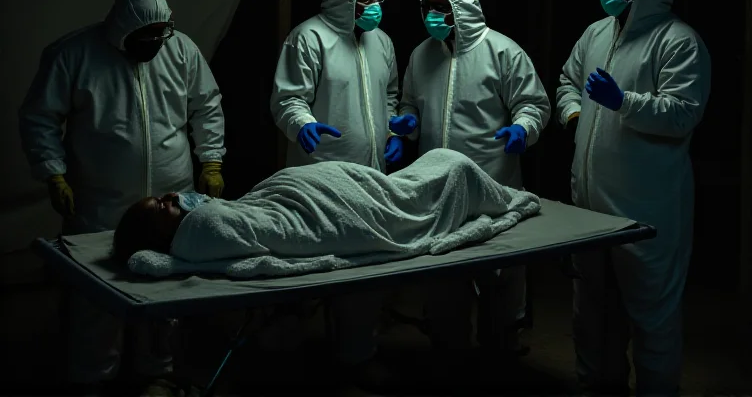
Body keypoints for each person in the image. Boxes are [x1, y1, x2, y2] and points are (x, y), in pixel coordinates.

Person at [19, 0, 227, 395]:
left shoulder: (180, 50)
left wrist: (212, 160)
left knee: (166, 286)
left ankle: (157, 370)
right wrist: (53, 172)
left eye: (160, 33)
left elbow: (207, 106)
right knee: (94, 290)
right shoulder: (73, 55)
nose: (154, 42)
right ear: (122, 29)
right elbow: (40, 116)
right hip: (99, 200)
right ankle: (92, 375)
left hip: (170, 197)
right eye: (145, 35)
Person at [555, 0, 711, 396]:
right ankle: (597, 387)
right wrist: (575, 113)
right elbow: (568, 80)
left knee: (651, 317)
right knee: (592, 315)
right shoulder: (596, 33)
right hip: (590, 209)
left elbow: (684, 112)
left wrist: (625, 102)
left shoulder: (678, 41)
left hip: (648, 213)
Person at [394, 0, 551, 357]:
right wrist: (407, 124)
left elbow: (533, 104)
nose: (432, 15)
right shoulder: (421, 54)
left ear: (461, 8)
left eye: (440, 7)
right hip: (439, 193)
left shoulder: (502, 52)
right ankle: (450, 354)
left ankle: (502, 348)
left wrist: (523, 129)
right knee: (444, 283)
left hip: (494, 188)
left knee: (501, 278)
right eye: (427, 7)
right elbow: (409, 101)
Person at [270, 0, 400, 373]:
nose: (376, 5)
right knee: (306, 272)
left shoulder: (382, 43)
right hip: (319, 180)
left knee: (365, 274)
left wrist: (394, 132)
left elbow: (390, 95)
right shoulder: (309, 38)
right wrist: (301, 124)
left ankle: (357, 356)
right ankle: (291, 364)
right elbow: (288, 97)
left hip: (371, 179)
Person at [111, 148, 539, 270]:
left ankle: (488, 195)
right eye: (162, 206)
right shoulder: (203, 226)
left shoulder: (222, 213)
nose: (171, 196)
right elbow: (293, 227)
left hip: (373, 189)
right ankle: (500, 200)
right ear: (161, 236)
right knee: (454, 167)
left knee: (438, 167)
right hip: (365, 208)